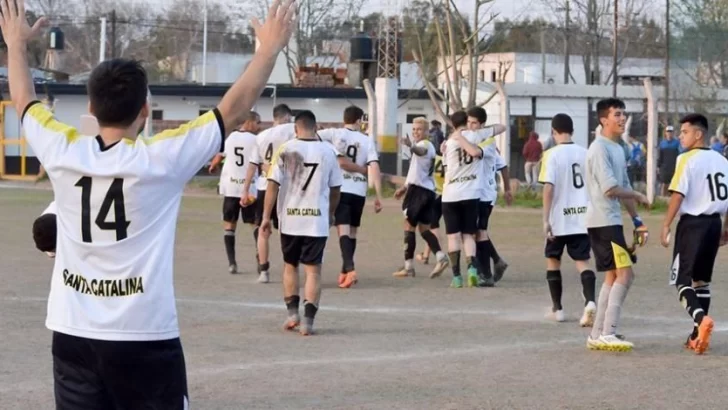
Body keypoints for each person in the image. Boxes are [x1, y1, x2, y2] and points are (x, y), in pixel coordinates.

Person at [5, 0, 296, 406]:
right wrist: (268, 50)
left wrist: (16, 45)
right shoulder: (160, 158)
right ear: (145, 110)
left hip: (73, 334)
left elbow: (23, 100)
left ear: (90, 108)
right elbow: (232, 111)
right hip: (143, 336)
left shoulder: (62, 150)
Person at [260, 110, 343, 336]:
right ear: (315, 128)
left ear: (296, 128)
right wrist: (331, 213)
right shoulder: (328, 151)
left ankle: (292, 314)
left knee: (290, 265)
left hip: (290, 220)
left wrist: (266, 217)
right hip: (316, 220)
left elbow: (272, 185)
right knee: (313, 270)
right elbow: (336, 188)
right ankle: (308, 322)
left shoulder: (285, 150)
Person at [584, 98, 650, 352]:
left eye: (624, 114)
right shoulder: (599, 148)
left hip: (610, 220)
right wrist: (638, 196)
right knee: (626, 273)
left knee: (613, 275)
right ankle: (607, 333)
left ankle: (598, 333)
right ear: (604, 120)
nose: (622, 119)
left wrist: (636, 220)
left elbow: (624, 187)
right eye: (617, 114)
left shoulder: (618, 148)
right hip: (602, 221)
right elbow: (611, 189)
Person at [660, 113, 728, 355]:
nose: (680, 136)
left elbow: (677, 194)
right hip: (714, 224)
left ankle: (701, 320)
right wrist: (726, 228)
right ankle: (696, 335)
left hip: (692, 225)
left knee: (681, 281)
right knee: (701, 281)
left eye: (685, 132)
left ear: (698, 134)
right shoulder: (722, 160)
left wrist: (666, 224)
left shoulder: (686, 159)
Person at [538, 113, 596, 325]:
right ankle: (590, 301)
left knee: (553, 260)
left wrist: (545, 219)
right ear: (572, 131)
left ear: (554, 132)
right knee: (583, 261)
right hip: (582, 217)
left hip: (559, 219)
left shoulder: (551, 155)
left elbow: (548, 187)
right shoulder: (586, 153)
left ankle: (558, 309)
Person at [318, 106, 383, 288]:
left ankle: (350, 268)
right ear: (359, 120)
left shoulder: (334, 133)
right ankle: (344, 271)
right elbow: (374, 167)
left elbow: (313, 135)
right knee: (352, 232)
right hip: (359, 191)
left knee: (343, 231)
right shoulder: (367, 140)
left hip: (341, 188)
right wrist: (378, 196)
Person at [440, 111, 498, 288]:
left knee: (452, 237)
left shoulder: (449, 143)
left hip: (450, 194)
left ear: (452, 124)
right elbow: (498, 129)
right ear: (467, 121)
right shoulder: (477, 137)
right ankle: (472, 268)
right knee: (468, 234)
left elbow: (445, 166)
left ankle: (457, 276)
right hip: (471, 193)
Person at [241, 103, 296, 283]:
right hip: (287, 187)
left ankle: (263, 270)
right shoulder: (293, 130)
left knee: (262, 228)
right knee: (287, 230)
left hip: (265, 186)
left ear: (274, 118)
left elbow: (252, 165)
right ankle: (290, 267)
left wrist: (245, 190)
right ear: (287, 117)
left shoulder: (262, 136)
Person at [392, 117, 450, 279]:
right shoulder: (423, 146)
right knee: (424, 229)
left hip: (419, 193)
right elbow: (416, 171)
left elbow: (421, 151)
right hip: (427, 191)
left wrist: (411, 145)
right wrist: (404, 187)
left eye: (419, 129)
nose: (416, 132)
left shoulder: (425, 145)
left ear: (426, 132)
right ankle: (440, 256)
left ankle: (408, 266)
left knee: (408, 226)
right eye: (414, 129)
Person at [208, 111, 262, 274]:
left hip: (231, 188)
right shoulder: (256, 140)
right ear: (250, 122)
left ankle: (232, 263)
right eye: (258, 123)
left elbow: (219, 156)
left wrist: (213, 166)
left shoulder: (230, 138)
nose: (259, 127)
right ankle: (261, 260)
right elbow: (261, 163)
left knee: (230, 226)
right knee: (255, 225)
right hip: (250, 189)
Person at [466, 106, 510, 286]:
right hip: (476, 192)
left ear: (482, 124)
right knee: (477, 231)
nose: (470, 126)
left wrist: (507, 189)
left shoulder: (487, 142)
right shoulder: (472, 139)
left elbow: (503, 166)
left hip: (485, 194)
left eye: (474, 123)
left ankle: (487, 273)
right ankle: (496, 261)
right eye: (468, 122)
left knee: (480, 232)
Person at [658, 125, 680, 197]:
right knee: (664, 184)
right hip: (664, 167)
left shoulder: (677, 143)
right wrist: (658, 166)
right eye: (668, 132)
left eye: (671, 132)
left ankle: (671, 199)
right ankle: (662, 198)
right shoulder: (662, 143)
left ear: (673, 133)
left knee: (673, 184)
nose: (669, 133)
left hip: (674, 166)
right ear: (665, 133)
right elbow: (660, 156)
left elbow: (679, 154)